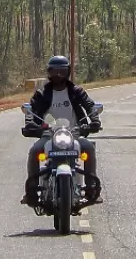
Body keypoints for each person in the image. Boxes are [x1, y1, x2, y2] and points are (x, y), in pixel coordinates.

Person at [22, 54, 101, 207]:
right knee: (35, 151)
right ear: (49, 73)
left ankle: (91, 189)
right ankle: (31, 193)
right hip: (48, 135)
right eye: (54, 71)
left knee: (89, 148)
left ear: (68, 72)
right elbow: (32, 110)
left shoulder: (76, 91)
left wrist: (94, 121)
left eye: (62, 71)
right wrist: (31, 124)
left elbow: (90, 106)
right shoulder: (42, 94)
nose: (58, 75)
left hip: (74, 133)